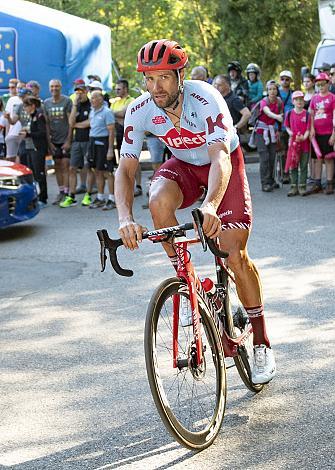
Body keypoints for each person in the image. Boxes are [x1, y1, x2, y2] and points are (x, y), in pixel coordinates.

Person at [115, 39, 276, 384]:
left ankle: (261, 340)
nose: (155, 88)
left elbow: (220, 156)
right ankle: (191, 286)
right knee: (157, 200)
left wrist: (211, 206)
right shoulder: (140, 108)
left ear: (180, 75)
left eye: (164, 78)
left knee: (234, 254)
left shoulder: (205, 97)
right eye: (149, 78)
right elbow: (126, 169)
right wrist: (125, 218)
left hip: (223, 166)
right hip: (185, 166)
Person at [60, 82, 92, 208]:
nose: (79, 94)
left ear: (86, 92)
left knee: (89, 167)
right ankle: (71, 196)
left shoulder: (91, 104)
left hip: (89, 140)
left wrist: (76, 125)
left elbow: (89, 122)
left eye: (81, 92)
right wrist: (74, 104)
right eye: (77, 92)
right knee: (72, 168)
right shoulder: (76, 105)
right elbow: (70, 122)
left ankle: (88, 194)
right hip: (77, 141)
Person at [306, 72, 335, 195]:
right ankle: (317, 183)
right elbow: (311, 114)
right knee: (317, 159)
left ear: (328, 84)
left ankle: (329, 183)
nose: (321, 87)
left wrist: (334, 134)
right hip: (316, 134)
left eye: (323, 84)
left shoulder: (333, 98)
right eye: (318, 84)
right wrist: (311, 128)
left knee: (329, 159)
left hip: (328, 132)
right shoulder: (314, 98)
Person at [44, 79, 72, 205]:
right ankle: (61, 191)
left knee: (65, 165)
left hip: (65, 139)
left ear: (60, 88)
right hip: (54, 140)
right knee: (57, 166)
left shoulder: (67, 101)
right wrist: (49, 142)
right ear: (49, 88)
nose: (54, 88)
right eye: (52, 86)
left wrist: (68, 140)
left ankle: (67, 192)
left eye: (56, 86)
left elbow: (71, 123)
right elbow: (47, 124)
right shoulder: (46, 103)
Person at [87, 90, 116, 210]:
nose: (92, 100)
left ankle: (112, 199)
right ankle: (100, 197)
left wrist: (110, 149)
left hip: (103, 143)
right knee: (97, 171)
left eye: (94, 98)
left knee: (107, 172)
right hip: (93, 142)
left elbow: (111, 132)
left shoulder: (107, 112)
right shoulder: (92, 111)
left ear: (100, 99)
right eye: (91, 98)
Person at [254, 80, 283, 192]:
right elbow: (267, 112)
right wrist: (277, 117)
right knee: (264, 157)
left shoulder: (279, 101)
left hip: (272, 131)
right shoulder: (264, 101)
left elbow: (280, 116)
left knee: (272, 157)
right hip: (261, 132)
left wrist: (279, 131)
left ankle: (271, 180)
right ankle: (264, 183)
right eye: (270, 89)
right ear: (267, 90)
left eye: (274, 89)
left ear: (277, 90)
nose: (272, 91)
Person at [21, 96, 49, 207]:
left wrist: (28, 134)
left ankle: (43, 198)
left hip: (37, 148)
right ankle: (35, 196)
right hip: (29, 147)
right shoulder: (30, 117)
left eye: (26, 106)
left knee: (40, 173)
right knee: (32, 173)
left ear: (32, 106)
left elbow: (42, 133)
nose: (24, 108)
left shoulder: (39, 116)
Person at [284, 91, 310, 196]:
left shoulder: (307, 114)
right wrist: (291, 134)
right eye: (297, 99)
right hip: (293, 145)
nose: (299, 101)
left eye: (301, 99)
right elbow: (287, 127)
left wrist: (304, 137)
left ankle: (302, 186)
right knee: (293, 165)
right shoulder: (289, 113)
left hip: (304, 144)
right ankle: (293, 186)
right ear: (293, 101)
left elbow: (308, 128)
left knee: (303, 165)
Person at [279, 70, 294, 183]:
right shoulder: (276, 92)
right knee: (282, 151)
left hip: (290, 126)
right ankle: (283, 173)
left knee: (290, 151)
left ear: (290, 81)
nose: (284, 81)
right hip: (279, 126)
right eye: (282, 79)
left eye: (287, 79)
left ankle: (288, 173)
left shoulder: (293, 94)